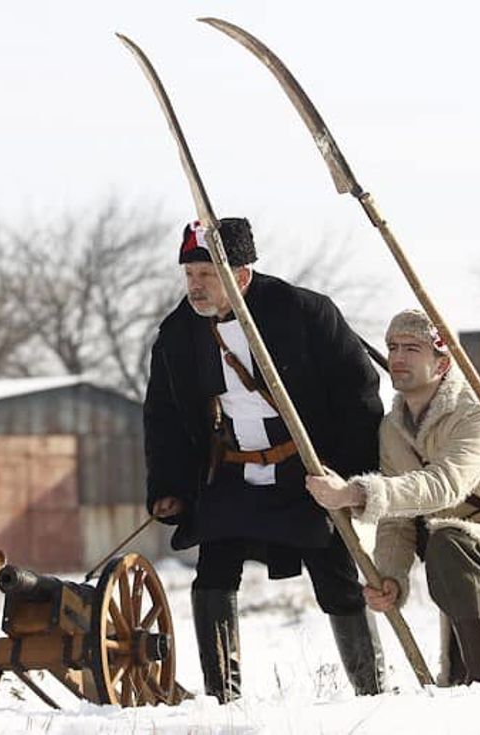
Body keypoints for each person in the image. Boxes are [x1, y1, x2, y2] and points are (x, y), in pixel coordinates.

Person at [144, 218, 385, 701]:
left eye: (208, 274)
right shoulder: (177, 333)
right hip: (234, 468)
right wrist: (169, 486)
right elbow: (164, 415)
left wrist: (347, 477)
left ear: (242, 271)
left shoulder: (305, 312)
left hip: (309, 469)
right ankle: (223, 699)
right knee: (213, 572)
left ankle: (372, 691)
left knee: (336, 576)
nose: (196, 286)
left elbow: (358, 396)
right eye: (190, 275)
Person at [306, 309, 480, 686]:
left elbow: (443, 485)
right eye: (393, 347)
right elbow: (398, 519)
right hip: (461, 563)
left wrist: (355, 492)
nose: (397, 357)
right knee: (461, 680)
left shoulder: (477, 414)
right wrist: (393, 576)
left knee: (448, 543)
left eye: (412, 348)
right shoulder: (393, 429)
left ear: (443, 363)